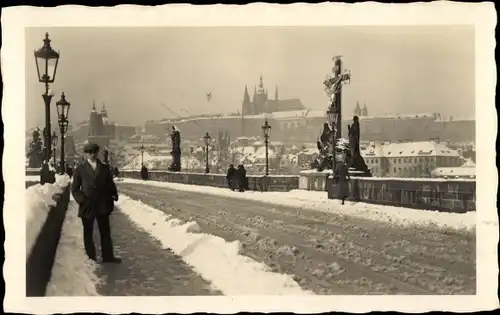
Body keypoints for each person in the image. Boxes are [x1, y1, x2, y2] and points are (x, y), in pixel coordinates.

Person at [71, 142, 121, 263]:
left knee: (105, 231)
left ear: (97, 153)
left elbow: (110, 183)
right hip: (87, 205)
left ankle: (108, 257)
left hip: (102, 203)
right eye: (89, 152)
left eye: (94, 152)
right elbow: (75, 189)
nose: (92, 154)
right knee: (88, 232)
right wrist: (82, 200)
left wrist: (113, 194)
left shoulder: (104, 168)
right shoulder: (80, 169)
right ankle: (91, 257)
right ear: (86, 154)